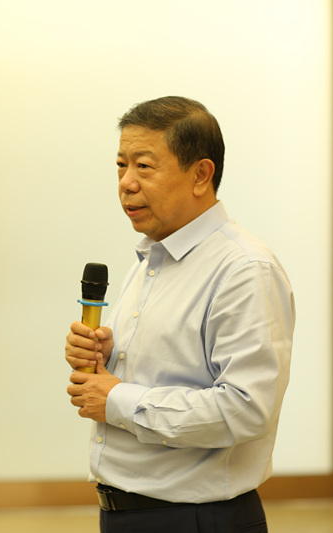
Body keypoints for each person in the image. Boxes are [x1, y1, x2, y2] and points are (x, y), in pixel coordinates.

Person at [65, 96, 295, 533]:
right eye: (121, 165)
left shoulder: (244, 268)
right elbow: (173, 372)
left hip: (196, 519)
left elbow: (247, 408)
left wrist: (116, 399)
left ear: (201, 175)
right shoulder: (151, 260)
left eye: (144, 166)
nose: (126, 183)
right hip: (123, 513)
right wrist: (109, 357)